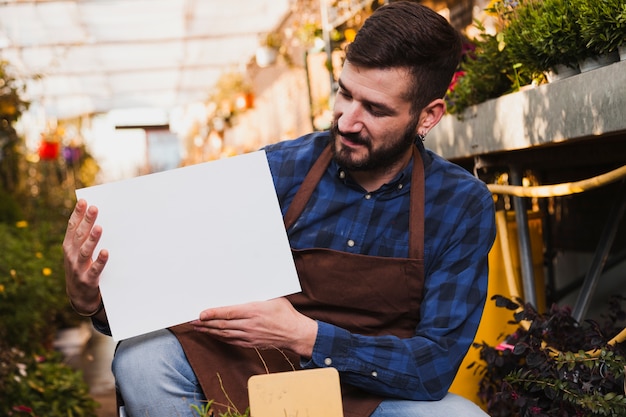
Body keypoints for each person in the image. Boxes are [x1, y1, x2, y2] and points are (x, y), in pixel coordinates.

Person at [63, 2, 496, 416]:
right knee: (142, 358)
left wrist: (308, 336)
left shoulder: (460, 205)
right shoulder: (280, 168)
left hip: (372, 391)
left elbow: (434, 365)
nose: (346, 120)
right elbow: (181, 286)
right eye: (344, 94)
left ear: (427, 116)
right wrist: (93, 299)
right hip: (258, 372)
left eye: (375, 109)